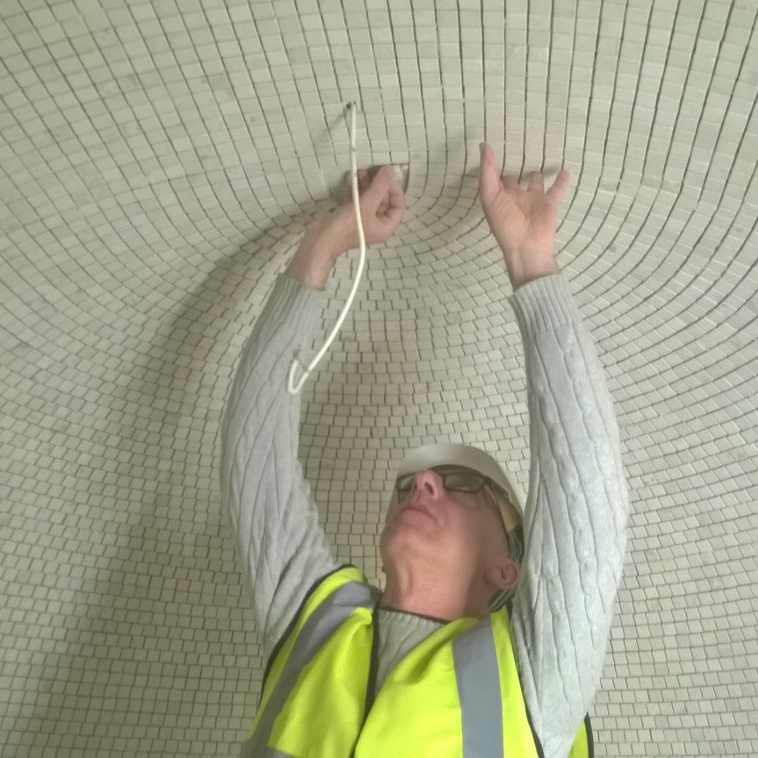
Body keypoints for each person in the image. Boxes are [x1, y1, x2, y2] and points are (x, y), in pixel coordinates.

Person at [220, 143, 630, 756]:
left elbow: (588, 513)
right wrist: (321, 249)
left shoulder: (536, 677)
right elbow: (252, 455)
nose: (421, 484)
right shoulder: (313, 622)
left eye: (460, 484)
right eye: (413, 483)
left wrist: (531, 263)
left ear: (506, 570)